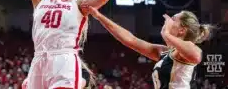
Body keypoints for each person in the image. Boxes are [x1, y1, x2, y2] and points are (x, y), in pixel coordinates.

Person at [81, 5, 213, 89]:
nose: (168, 20)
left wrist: (166, 33)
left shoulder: (191, 48)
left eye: (173, 18)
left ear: (182, 30)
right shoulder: (165, 52)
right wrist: (99, 16)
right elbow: (130, 40)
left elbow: (196, 56)